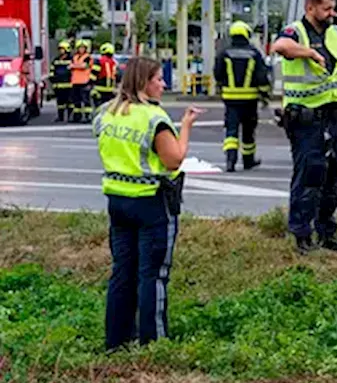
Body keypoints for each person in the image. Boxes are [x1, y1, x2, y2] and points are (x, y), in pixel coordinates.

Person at [93, 56, 203, 352]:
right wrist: (186, 127)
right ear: (144, 83)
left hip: (117, 201)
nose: (163, 84)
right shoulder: (154, 119)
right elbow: (173, 160)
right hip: (151, 202)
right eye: (158, 79)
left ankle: (116, 341)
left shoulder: (106, 112)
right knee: (152, 275)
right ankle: (153, 343)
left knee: (122, 272)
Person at [270, 0, 337, 255]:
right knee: (310, 174)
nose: (331, 13)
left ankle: (326, 232)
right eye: (326, 9)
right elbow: (280, 46)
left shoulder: (335, 33)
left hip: (334, 116)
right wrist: (310, 52)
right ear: (310, 8)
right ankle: (302, 235)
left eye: (333, 8)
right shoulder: (296, 31)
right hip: (306, 117)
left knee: (334, 174)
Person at [214, 20, 271, 172]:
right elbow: (262, 76)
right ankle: (248, 161)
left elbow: (217, 73)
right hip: (250, 100)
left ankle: (230, 161)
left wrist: (222, 86)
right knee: (248, 131)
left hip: (230, 101)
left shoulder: (224, 53)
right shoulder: (254, 53)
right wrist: (265, 95)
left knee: (231, 131)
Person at [70, 39, 94, 123]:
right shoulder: (75, 57)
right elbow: (70, 66)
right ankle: (77, 117)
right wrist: (76, 66)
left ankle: (88, 116)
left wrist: (74, 66)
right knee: (76, 101)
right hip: (75, 81)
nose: (81, 49)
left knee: (86, 100)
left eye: (83, 48)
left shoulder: (88, 57)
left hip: (85, 81)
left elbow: (84, 66)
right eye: (80, 48)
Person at [51, 40, 72, 122]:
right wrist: (53, 80)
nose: (60, 51)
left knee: (70, 103)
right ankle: (60, 117)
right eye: (60, 49)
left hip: (69, 85)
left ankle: (70, 117)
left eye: (62, 49)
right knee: (60, 103)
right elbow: (52, 71)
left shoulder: (71, 60)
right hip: (59, 85)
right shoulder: (56, 60)